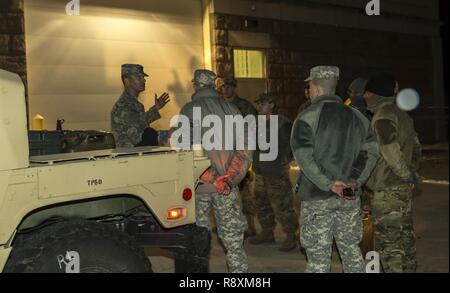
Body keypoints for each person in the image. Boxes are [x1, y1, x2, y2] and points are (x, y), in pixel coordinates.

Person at [291, 65, 379, 273]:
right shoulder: (358, 117)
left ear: (317, 88)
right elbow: (371, 152)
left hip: (317, 199)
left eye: (310, 86)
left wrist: (329, 184)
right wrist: (355, 181)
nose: (310, 91)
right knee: (351, 252)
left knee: (318, 261)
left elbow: (303, 157)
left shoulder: (306, 117)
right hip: (349, 196)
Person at [174, 69, 253, 273]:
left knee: (199, 242)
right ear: (214, 85)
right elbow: (244, 149)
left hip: (200, 187)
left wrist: (213, 178)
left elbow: (185, 151)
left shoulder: (188, 110)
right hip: (227, 188)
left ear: (196, 85)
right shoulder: (233, 110)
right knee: (234, 243)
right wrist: (229, 179)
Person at [363, 73, 422, 273]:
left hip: (389, 189)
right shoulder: (402, 114)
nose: (364, 96)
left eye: (367, 92)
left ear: (376, 94)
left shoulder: (383, 116)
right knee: (405, 240)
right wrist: (410, 174)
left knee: (389, 246)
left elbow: (389, 148)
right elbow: (416, 147)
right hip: (402, 189)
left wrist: (404, 174)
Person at [249, 93, 299, 252]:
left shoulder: (283, 123)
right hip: (260, 171)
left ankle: (291, 236)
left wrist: (283, 161)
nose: (259, 106)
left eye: (262, 103)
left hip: (276, 173)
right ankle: (267, 232)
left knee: (282, 205)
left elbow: (294, 144)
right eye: (258, 103)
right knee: (261, 203)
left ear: (272, 104)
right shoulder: (256, 123)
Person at [220, 77, 258, 237]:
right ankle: (227, 224)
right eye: (224, 87)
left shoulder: (245, 106)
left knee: (246, 192)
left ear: (235, 88)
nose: (226, 90)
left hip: (241, 155)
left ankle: (250, 226)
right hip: (223, 155)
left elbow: (253, 130)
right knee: (223, 190)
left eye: (229, 87)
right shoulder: (218, 106)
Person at [111, 64, 170, 148]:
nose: (144, 80)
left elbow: (139, 122)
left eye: (143, 77)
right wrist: (169, 134)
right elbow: (139, 136)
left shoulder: (134, 104)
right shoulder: (124, 106)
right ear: (127, 80)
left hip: (137, 155)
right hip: (129, 157)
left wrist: (156, 108)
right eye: (139, 77)